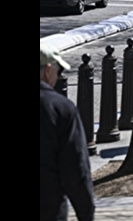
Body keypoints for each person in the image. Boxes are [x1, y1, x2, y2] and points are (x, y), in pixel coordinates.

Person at [41, 44, 95, 221]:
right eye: (57, 72)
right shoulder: (61, 109)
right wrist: (86, 213)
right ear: (47, 71)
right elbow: (75, 167)